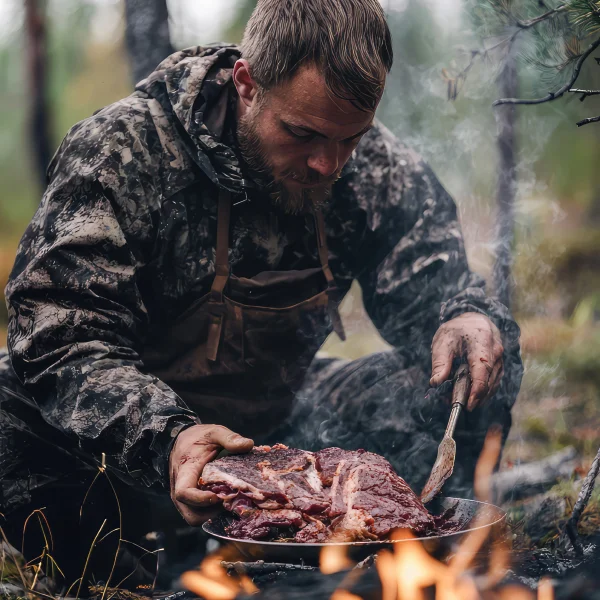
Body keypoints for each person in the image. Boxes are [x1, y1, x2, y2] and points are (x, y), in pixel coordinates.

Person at [0, 0, 522, 583]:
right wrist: (168, 437)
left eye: (350, 138)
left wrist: (467, 314)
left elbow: (440, 287)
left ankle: (377, 569)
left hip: (293, 439)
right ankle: (124, 582)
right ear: (246, 82)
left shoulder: (371, 166)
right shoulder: (124, 153)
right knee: (5, 403)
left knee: (476, 361)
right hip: (136, 460)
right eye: (301, 134)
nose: (328, 164)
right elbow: (61, 334)